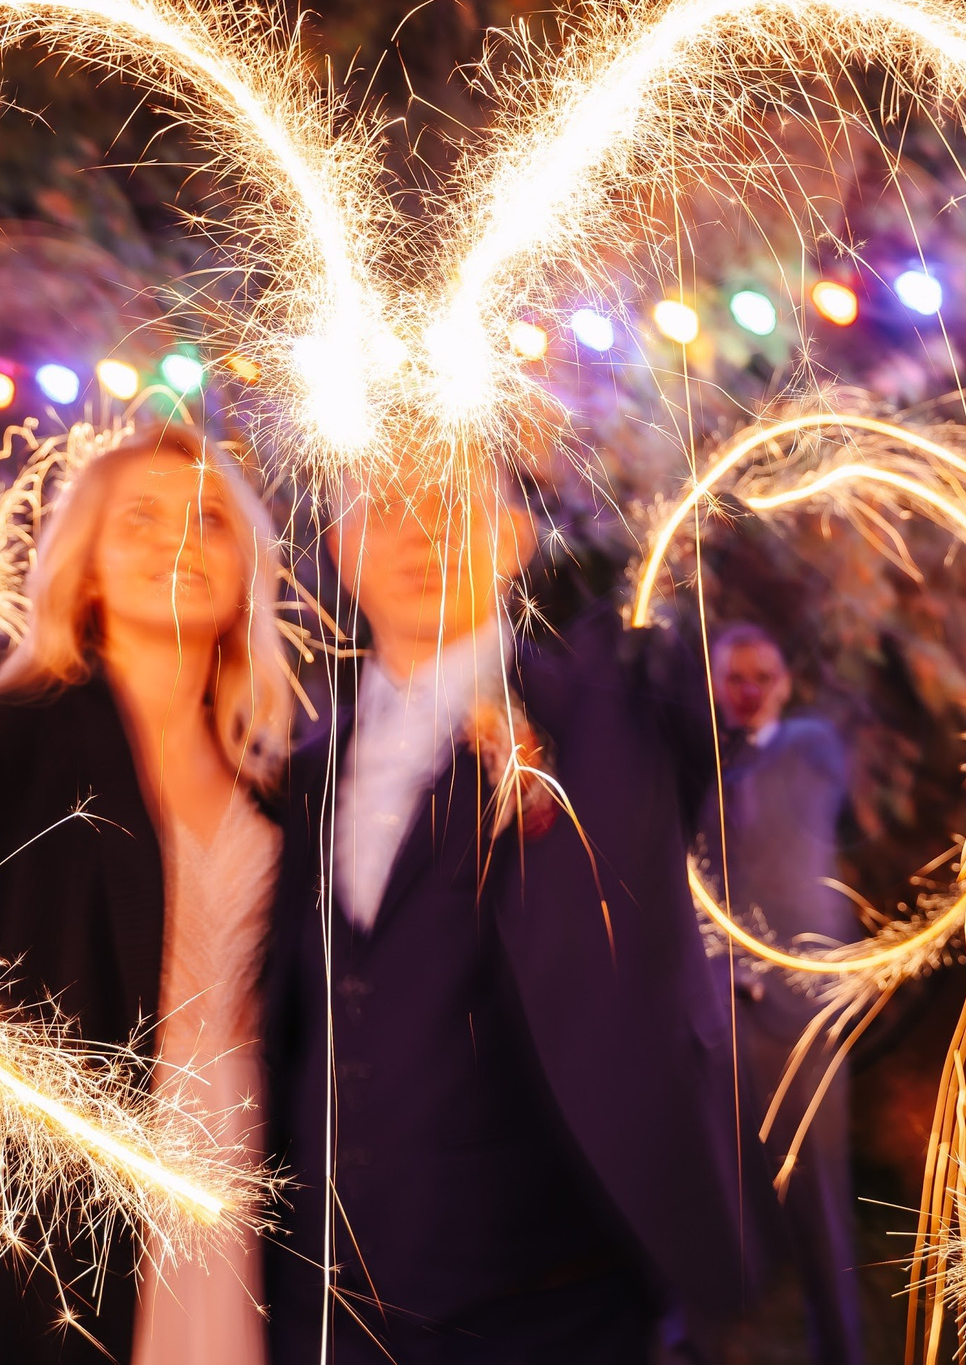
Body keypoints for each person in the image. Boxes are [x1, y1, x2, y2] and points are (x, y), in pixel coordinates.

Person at [262, 456, 752, 1364]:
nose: (421, 532)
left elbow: (692, 697)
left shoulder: (609, 710)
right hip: (321, 1316)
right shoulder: (300, 770)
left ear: (516, 538)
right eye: (385, 507)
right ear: (338, 547)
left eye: (452, 501)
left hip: (549, 1315)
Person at [0, 422, 296, 1364]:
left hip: (241, 1164)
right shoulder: (5, 740)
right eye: (140, 517)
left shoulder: (275, 777)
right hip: (56, 1190)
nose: (178, 541)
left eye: (209, 519)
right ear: (88, 564)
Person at [705, 622, 863, 1365]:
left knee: (818, 1191)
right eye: (733, 678)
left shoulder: (808, 746)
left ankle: (840, 1346)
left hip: (800, 1009)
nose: (748, 691)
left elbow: (776, 817)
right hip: (720, 1003)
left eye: (762, 677)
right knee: (708, 1180)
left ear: (786, 684)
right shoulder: (702, 763)